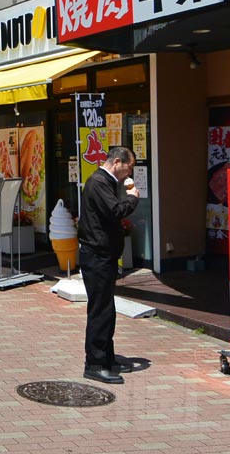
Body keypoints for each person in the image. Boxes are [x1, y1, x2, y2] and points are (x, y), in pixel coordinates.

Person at [77, 146, 139, 384]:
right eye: (129, 166)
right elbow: (116, 211)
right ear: (116, 162)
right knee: (100, 309)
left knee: (106, 307)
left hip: (104, 254)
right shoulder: (99, 182)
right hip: (97, 255)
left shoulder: (105, 182)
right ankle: (94, 362)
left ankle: (107, 357)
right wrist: (133, 198)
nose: (130, 171)